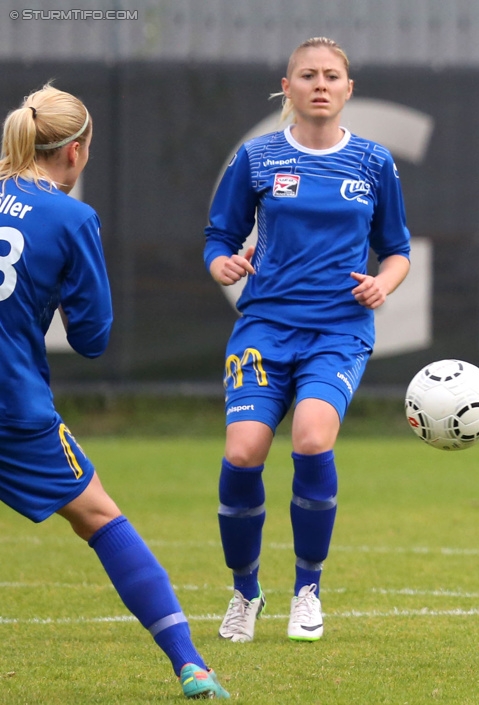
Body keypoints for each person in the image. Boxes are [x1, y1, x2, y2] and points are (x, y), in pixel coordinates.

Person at [0, 84, 229, 699]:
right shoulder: (72, 218)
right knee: (100, 518)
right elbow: (93, 337)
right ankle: (191, 665)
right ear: (74, 152)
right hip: (11, 407)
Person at [205, 36, 411, 644]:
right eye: (307, 76)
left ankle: (307, 590)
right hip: (264, 328)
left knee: (312, 437)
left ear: (349, 90)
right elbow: (220, 235)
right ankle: (245, 592)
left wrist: (382, 285)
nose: (319, 84)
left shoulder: (374, 162)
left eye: (331, 76)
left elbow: (397, 250)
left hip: (338, 329)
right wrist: (221, 264)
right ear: (287, 87)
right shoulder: (258, 158)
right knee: (243, 452)